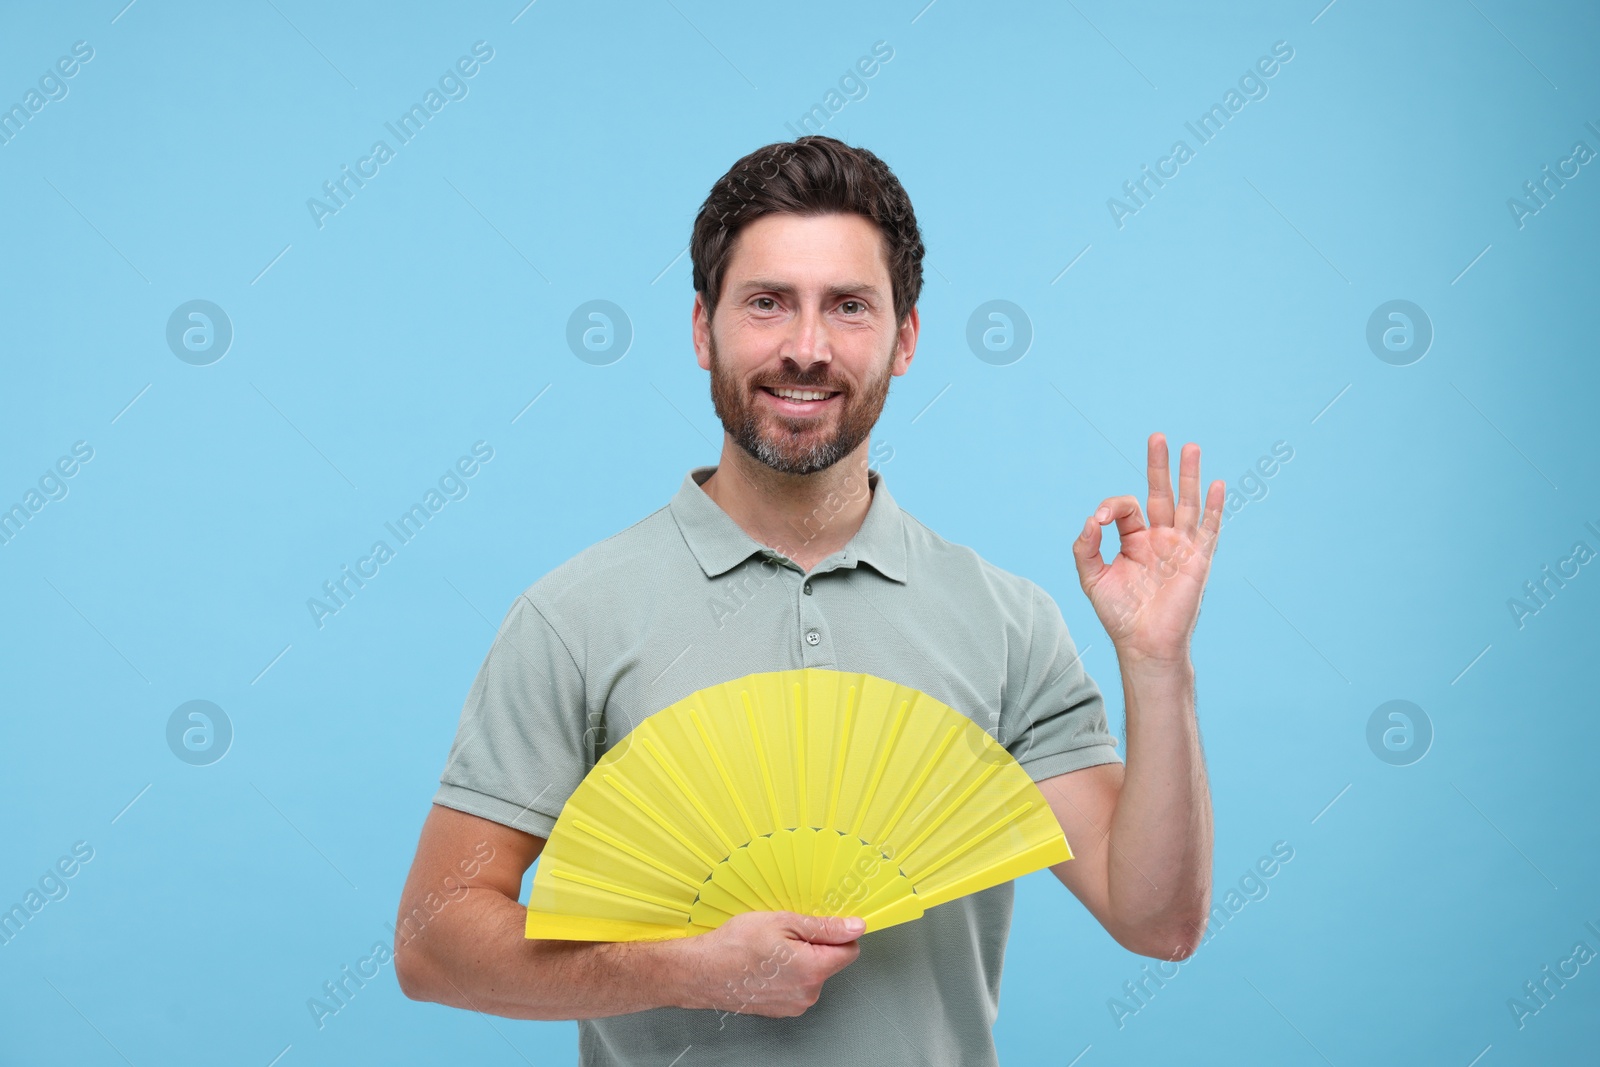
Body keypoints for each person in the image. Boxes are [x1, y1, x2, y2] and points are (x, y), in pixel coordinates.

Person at [395, 135, 1222, 1065]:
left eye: (850, 307)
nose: (806, 347)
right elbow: (433, 945)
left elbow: (1159, 922)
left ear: (905, 339)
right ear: (703, 328)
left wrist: (1158, 664)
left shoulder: (1007, 621)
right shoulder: (574, 617)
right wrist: (687, 969)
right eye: (767, 302)